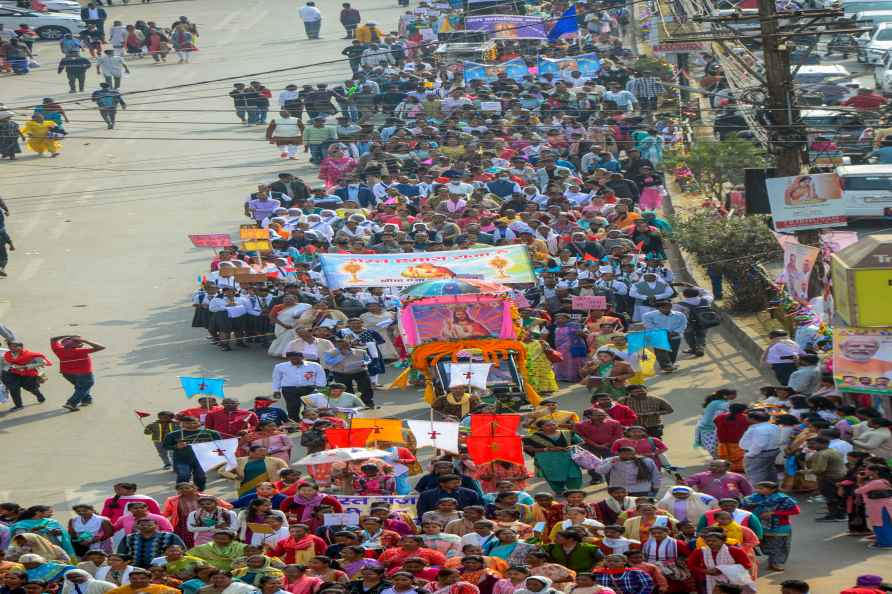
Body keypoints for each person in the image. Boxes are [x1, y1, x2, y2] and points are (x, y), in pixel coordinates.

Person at [740, 481, 799, 571]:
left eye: (761, 488)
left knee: (779, 546)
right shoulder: (754, 498)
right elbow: (745, 505)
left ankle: (777, 563)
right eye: (757, 488)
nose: (758, 490)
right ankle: (772, 561)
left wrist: (773, 513)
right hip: (760, 526)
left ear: (772, 489)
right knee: (763, 545)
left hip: (779, 527)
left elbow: (795, 511)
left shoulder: (783, 499)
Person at [522, 420, 584, 494]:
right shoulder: (532, 437)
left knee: (574, 475)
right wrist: (547, 449)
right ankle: (559, 491)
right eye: (548, 425)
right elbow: (528, 449)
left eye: (554, 424)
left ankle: (574, 491)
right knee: (553, 477)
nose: (552, 427)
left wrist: (573, 446)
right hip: (547, 461)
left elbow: (581, 442)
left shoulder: (567, 433)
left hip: (568, 458)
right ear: (541, 427)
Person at [162, 417, 223, 490]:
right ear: (181, 424)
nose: (191, 425)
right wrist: (176, 446)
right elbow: (165, 446)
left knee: (200, 477)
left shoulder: (211, 433)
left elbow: (220, 444)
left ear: (199, 423)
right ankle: (182, 492)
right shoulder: (173, 435)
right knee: (183, 476)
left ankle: (199, 492)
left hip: (202, 459)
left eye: (194, 423)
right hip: (182, 459)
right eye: (187, 423)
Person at [49, 335, 105, 412]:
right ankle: (71, 403)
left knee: (80, 387)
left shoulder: (58, 350)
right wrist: (85, 340)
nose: (81, 343)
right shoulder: (81, 351)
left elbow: (53, 339)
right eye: (79, 342)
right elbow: (102, 347)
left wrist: (67, 335)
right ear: (74, 345)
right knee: (85, 386)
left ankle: (86, 400)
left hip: (67, 374)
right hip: (83, 374)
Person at [272, 352, 327, 421]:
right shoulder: (280, 366)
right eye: (292, 359)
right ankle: (294, 422)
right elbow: (276, 379)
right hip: (289, 389)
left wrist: (320, 387)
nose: (295, 361)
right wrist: (276, 390)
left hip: (309, 388)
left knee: (310, 408)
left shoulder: (314, 365)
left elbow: (321, 377)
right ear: (288, 358)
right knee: (292, 407)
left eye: (297, 359)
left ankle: (309, 422)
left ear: (302, 358)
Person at [2, 341, 50, 410]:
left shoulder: (30, 355)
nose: (12, 348)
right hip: (12, 374)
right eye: (10, 346)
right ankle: (18, 405)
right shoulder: (7, 354)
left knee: (30, 388)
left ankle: (38, 395)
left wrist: (25, 366)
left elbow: (43, 362)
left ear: (21, 347)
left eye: (15, 346)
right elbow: (5, 365)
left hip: (28, 374)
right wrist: (8, 369)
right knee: (13, 389)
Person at [641, 301, 687, 372]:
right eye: (663, 308)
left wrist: (675, 332)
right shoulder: (648, 315)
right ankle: (666, 366)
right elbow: (649, 326)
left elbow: (683, 324)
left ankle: (670, 363)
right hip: (658, 335)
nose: (666, 309)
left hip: (675, 335)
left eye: (669, 307)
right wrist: (663, 333)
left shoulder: (680, 315)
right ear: (658, 308)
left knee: (673, 351)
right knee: (661, 351)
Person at [854, 464, 892, 547]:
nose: (865, 471)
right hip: (881, 507)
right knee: (883, 524)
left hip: (879, 507)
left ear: (875, 472)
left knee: (881, 524)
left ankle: (885, 543)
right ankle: (884, 541)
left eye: (867, 469)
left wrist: (860, 481)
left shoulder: (877, 482)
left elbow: (858, 491)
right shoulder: (883, 480)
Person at [739, 410, 781, 484]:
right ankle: (772, 488)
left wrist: (750, 454)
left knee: (755, 473)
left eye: (747, 417)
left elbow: (759, 444)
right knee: (768, 471)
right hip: (771, 451)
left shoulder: (759, 429)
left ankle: (756, 491)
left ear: (753, 419)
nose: (746, 418)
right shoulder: (773, 426)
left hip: (759, 453)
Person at [694, 391, 736, 457]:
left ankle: (718, 460)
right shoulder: (720, 408)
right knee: (717, 448)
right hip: (712, 431)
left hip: (707, 431)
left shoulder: (710, 409)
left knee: (714, 449)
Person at [685, 460, 752, 501]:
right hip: (707, 501)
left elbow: (747, 491)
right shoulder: (700, 476)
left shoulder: (737, 477)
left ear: (727, 467)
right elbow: (686, 485)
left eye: (718, 466)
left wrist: (747, 501)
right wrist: (683, 483)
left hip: (731, 502)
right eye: (712, 466)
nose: (713, 467)